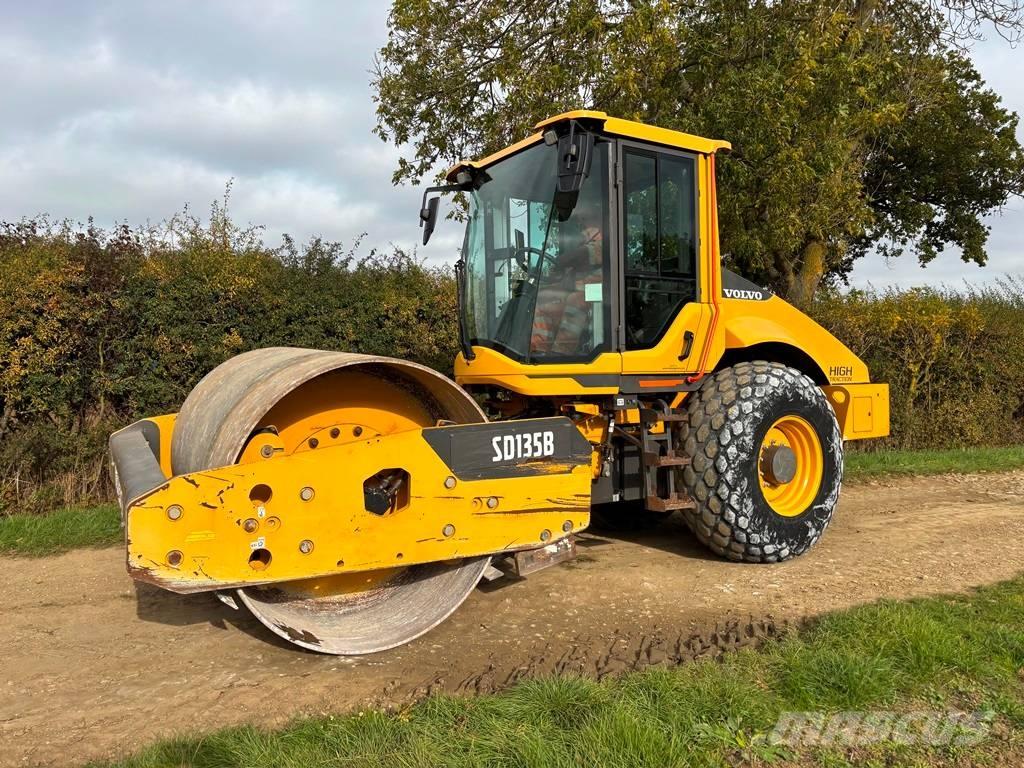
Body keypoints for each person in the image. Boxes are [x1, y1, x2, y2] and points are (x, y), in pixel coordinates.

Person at [530, 204, 604, 355]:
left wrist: (559, 262)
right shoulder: (585, 245)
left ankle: (562, 351)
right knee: (542, 297)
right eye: (579, 222)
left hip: (601, 292)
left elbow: (580, 255)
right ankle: (539, 349)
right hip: (585, 291)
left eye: (585, 220)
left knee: (575, 299)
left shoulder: (604, 243)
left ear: (598, 222)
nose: (581, 226)